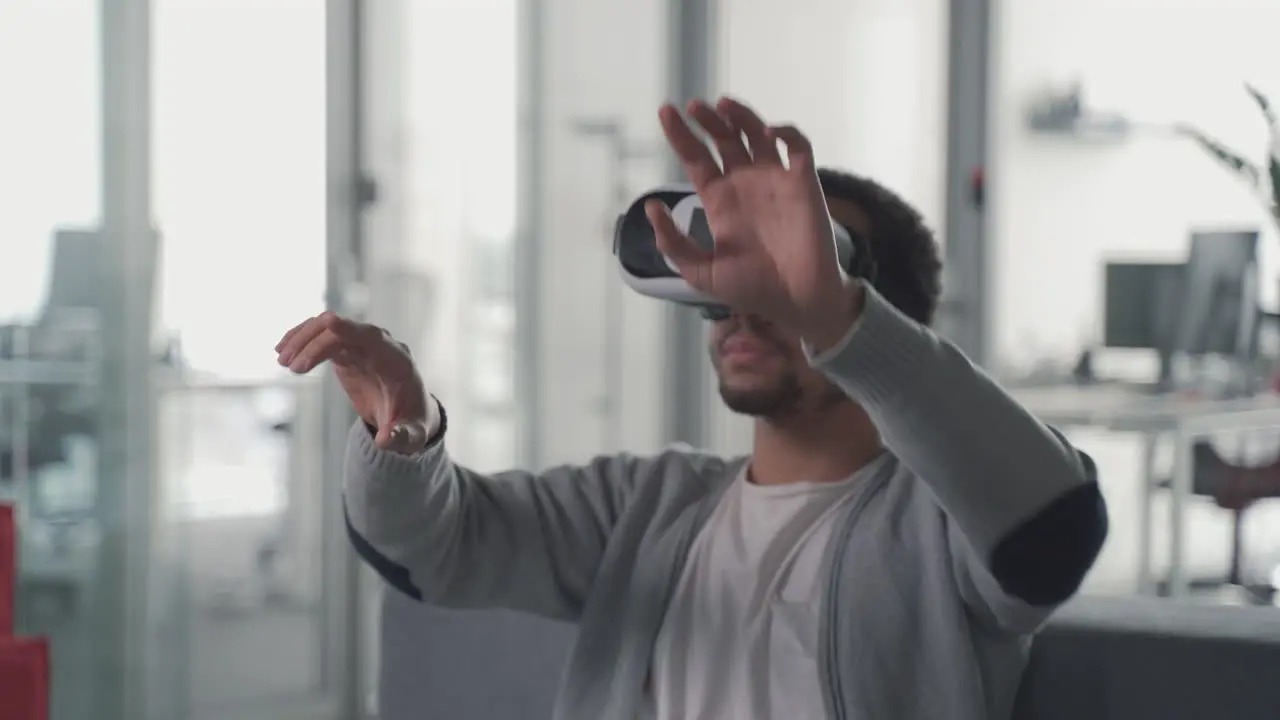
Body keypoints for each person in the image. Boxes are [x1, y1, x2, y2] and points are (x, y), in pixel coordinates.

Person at [274, 96, 1108, 720]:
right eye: (730, 281)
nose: (744, 308)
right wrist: (406, 437)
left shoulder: (940, 529)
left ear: (877, 312)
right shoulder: (646, 505)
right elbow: (436, 550)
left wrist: (829, 313)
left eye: (782, 277)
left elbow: (1053, 534)